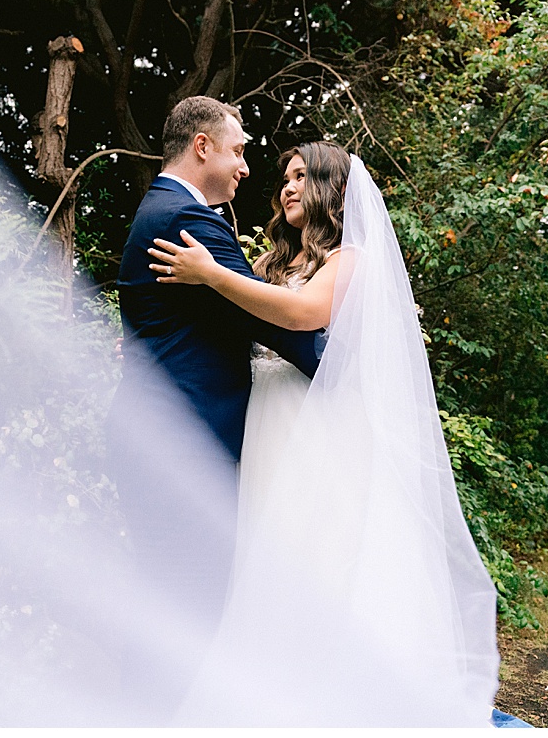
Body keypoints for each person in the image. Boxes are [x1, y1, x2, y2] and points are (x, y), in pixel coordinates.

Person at [147, 143, 503, 726]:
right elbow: (228, 325)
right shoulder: (268, 264)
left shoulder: (350, 259)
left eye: (301, 176)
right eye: (284, 178)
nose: (287, 186)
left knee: (314, 554)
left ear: (331, 189)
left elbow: (302, 314)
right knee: (261, 555)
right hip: (264, 418)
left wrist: (210, 273)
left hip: (319, 425)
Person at [105, 97, 323, 723]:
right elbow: (280, 328)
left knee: (177, 603)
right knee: (185, 609)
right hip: (181, 442)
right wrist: (360, 364)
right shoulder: (186, 222)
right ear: (202, 147)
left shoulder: (172, 210)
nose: (247, 168)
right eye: (238, 151)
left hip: (165, 435)